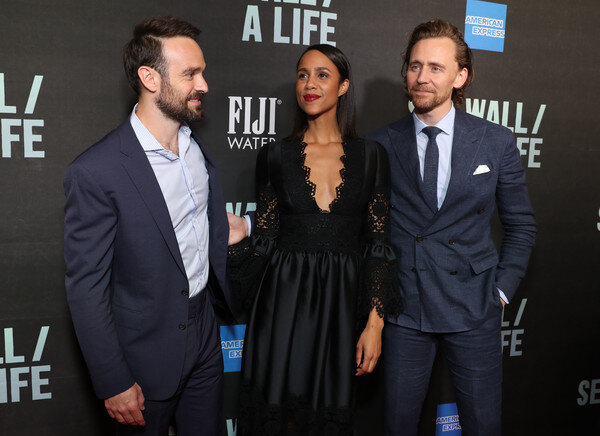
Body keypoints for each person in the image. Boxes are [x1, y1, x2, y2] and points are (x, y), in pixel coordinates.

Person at [63, 16, 233, 435]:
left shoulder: (195, 150)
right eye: (190, 74)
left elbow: (196, 228)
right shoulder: (96, 171)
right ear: (149, 78)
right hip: (142, 354)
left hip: (205, 336)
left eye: (203, 72)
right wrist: (113, 380)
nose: (204, 85)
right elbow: (87, 287)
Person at [367, 19, 537, 435]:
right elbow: (362, 228)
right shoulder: (379, 144)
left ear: (461, 76)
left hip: (474, 308)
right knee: (398, 425)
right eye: (415, 66)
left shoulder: (495, 141)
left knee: (483, 425)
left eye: (435, 68)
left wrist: (500, 292)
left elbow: (521, 225)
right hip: (405, 309)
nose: (422, 77)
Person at [227, 44, 401, 435]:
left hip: (343, 306)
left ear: (343, 86)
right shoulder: (274, 156)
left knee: (329, 416)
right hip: (281, 304)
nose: (310, 84)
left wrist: (375, 324)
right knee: (278, 417)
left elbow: (378, 244)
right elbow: (266, 238)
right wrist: (231, 248)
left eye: (323, 75)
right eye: (303, 75)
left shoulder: (372, 156)